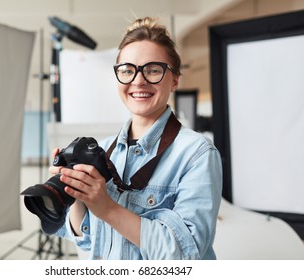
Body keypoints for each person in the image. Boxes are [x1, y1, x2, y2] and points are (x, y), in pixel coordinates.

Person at [50, 17, 222, 260]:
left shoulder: (197, 154)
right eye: (128, 70)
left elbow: (185, 256)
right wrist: (74, 192)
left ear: (174, 79)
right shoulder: (104, 149)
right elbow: (88, 240)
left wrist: (107, 208)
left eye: (153, 70)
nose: (138, 80)